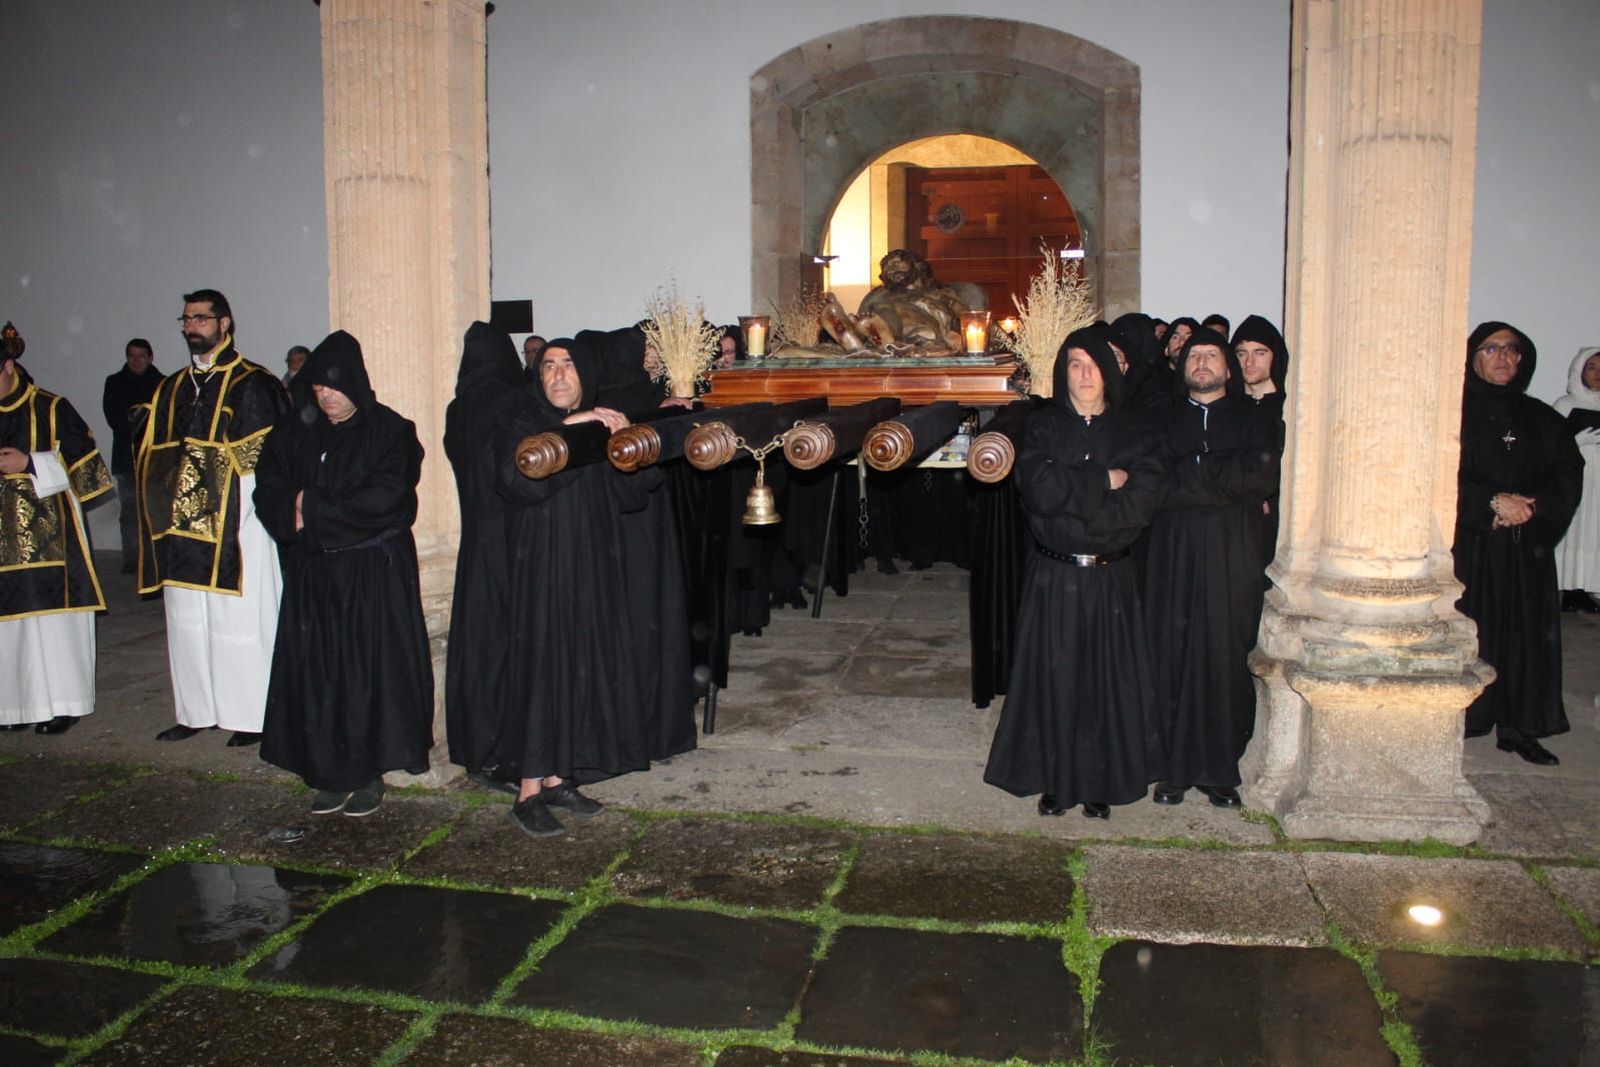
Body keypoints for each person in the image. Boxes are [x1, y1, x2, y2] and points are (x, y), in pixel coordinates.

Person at [984, 328, 1166, 819]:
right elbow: (1037, 489)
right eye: (1075, 364)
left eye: (1093, 365)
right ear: (1063, 371)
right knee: (1056, 682)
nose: (1085, 375)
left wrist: (1077, 508)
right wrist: (1103, 482)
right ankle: (1056, 782)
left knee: (1106, 685)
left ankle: (1100, 782)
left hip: (1110, 578)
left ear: (1109, 373)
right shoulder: (1042, 426)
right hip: (1055, 578)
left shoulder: (1136, 431)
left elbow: (1141, 502)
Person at [254, 331, 433, 815]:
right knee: (320, 673)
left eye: (334, 387)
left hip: (371, 574)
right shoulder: (295, 433)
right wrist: (293, 508)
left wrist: (307, 503)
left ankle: (368, 771)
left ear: (355, 383)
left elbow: (387, 498)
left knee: (366, 675)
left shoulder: (391, 431)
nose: (326, 397)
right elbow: (268, 484)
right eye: (317, 389)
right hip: (314, 571)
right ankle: (327, 770)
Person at [489, 339, 647, 837]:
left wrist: (627, 447)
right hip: (541, 566)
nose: (558, 376)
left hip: (590, 565)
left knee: (578, 664)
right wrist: (565, 431)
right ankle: (527, 791)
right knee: (541, 669)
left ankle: (560, 779)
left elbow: (632, 497)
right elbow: (513, 481)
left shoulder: (600, 421)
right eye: (549, 368)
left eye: (569, 366)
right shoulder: (519, 418)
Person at [135, 289, 288, 745]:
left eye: (201, 319)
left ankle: (250, 714)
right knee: (186, 620)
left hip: (239, 522)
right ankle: (195, 709)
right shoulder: (171, 388)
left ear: (225, 324)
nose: (191, 327)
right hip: (182, 525)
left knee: (238, 620)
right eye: (185, 319)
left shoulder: (254, 383)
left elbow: (268, 460)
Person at [1144, 327, 1280, 807]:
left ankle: (1221, 769)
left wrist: (1195, 469)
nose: (1202, 363)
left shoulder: (1255, 418)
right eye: (1194, 356)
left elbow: (1259, 475)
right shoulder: (1161, 420)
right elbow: (1155, 484)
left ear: (1228, 368)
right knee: (1172, 652)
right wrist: (1219, 473)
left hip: (1232, 552)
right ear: (1183, 368)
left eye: (1212, 356)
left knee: (1225, 654)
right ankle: (1172, 769)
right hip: (1172, 554)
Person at [1454, 322, 1584, 765]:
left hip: (1527, 548)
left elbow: (1568, 474)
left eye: (1511, 350)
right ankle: (1465, 720)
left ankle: (1520, 728)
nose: (1502, 358)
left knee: (1526, 638)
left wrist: (1534, 506)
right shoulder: (1453, 416)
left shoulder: (1543, 419)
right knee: (1472, 632)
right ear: (1473, 357)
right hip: (1473, 547)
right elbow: (1441, 474)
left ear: (1522, 358)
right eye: (1491, 349)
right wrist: (1491, 501)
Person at [0, 327, 113, 735]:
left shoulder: (51, 407)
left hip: (52, 538)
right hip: (2, 541)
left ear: (9, 366)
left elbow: (90, 472)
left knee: (53, 626)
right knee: (8, 630)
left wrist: (31, 463)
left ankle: (65, 704)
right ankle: (14, 709)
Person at [443, 322, 529, 793]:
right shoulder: (509, 402)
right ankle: (501, 751)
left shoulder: (459, 410)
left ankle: (476, 747)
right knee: (505, 646)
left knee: (476, 647)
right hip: (510, 539)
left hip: (475, 540)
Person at [1231, 314, 1291, 567]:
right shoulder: (1226, 410)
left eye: (1260, 352)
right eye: (1242, 353)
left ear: (1275, 355)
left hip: (1279, 527)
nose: (1249, 362)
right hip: (1232, 526)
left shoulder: (1291, 410)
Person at [102, 338, 162, 573]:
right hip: (126, 458)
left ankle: (156, 557)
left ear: (150, 357)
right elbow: (113, 417)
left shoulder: (162, 383)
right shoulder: (114, 383)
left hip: (155, 458)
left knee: (156, 509)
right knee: (129, 511)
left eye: (141, 355)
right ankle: (132, 558)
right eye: (132, 355)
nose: (136, 360)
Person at [1554, 347, 1600, 614]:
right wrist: (1574, 443)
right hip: (1577, 476)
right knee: (1576, 528)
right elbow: (1549, 444)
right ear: (1580, 370)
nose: (1597, 374)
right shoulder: (1566, 405)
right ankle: (1572, 590)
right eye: (1591, 367)